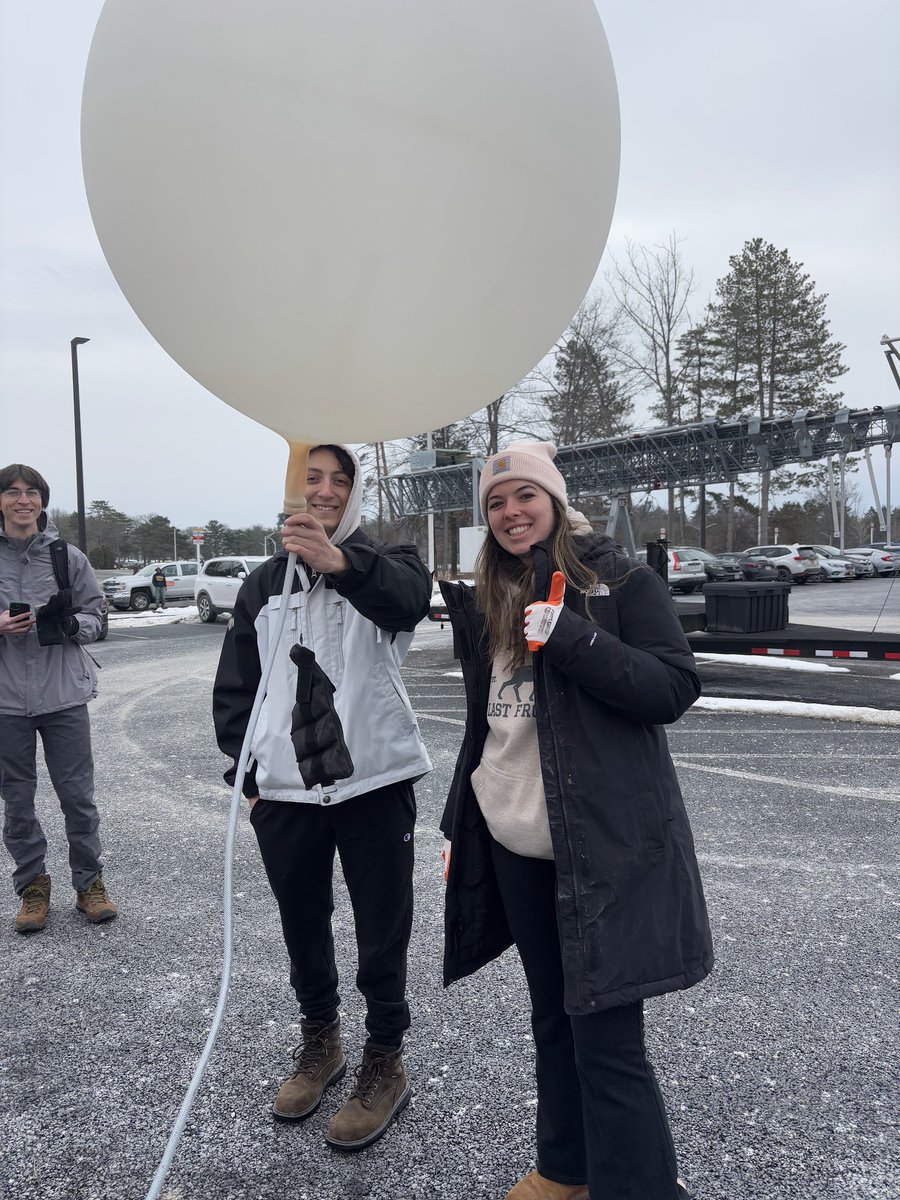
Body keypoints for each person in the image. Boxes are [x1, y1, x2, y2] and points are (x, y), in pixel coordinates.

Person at [439, 442, 713, 1200]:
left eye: (525, 495)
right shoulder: (492, 596)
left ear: (555, 501)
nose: (510, 512)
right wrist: (464, 826)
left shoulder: (622, 580)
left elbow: (672, 687)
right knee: (553, 1019)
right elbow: (491, 729)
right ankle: (566, 1169)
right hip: (514, 844)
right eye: (495, 503)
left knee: (608, 1042)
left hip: (602, 851)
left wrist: (573, 637)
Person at [212, 444, 432, 1150]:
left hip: (375, 781)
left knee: (381, 930)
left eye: (342, 480)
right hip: (286, 793)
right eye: (314, 478)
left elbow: (408, 602)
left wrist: (341, 562)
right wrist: (247, 779)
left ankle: (384, 1059)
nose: (328, 491)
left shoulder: (389, 562)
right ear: (291, 487)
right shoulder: (260, 585)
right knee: (303, 925)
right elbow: (238, 688)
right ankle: (321, 1041)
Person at [0, 464, 117, 933]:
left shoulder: (67, 558)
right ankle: (32, 887)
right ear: (0, 501)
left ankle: (89, 884)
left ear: (43, 501)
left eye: (31, 492)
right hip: (6, 702)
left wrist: (72, 627)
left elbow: (97, 618)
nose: (22, 500)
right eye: (12, 492)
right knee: (17, 801)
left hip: (64, 696)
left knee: (78, 798)